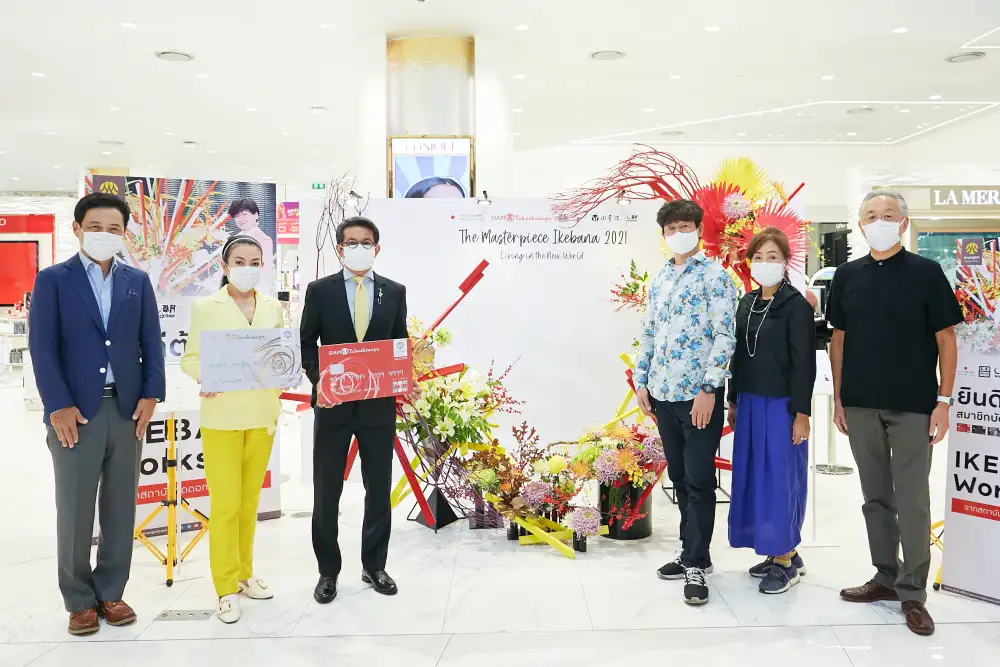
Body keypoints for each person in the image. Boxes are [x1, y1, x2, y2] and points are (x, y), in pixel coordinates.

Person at [826, 191, 963, 637]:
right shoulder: (847, 275)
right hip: (860, 403)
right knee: (875, 497)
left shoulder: (926, 273)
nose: (879, 221)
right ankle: (885, 575)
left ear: (903, 224)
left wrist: (943, 401)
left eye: (888, 215)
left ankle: (913, 591)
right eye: (871, 215)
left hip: (913, 405)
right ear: (860, 225)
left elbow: (946, 338)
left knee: (912, 499)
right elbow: (839, 339)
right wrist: (839, 398)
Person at [28, 193, 165, 636]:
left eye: (114, 229)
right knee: (74, 507)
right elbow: (42, 347)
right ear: (77, 229)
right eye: (95, 227)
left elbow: (151, 342)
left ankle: (111, 591)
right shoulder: (53, 280)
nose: (104, 235)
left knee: (121, 505)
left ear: (124, 234)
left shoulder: (136, 281)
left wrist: (152, 394)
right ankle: (79, 600)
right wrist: (57, 405)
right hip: (76, 412)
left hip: (127, 410)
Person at [300, 216, 410, 603]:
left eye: (366, 242)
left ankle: (374, 565)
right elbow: (307, 343)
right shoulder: (319, 291)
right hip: (333, 405)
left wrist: (402, 376)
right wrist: (320, 382)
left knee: (378, 488)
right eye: (351, 242)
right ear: (339, 249)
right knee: (326, 490)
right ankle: (328, 571)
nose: (358, 248)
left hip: (378, 407)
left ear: (376, 248)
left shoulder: (394, 291)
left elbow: (399, 341)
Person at [634, 199, 738, 605]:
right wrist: (642, 381)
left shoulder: (716, 276)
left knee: (699, 480)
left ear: (698, 229)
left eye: (684, 226)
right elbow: (649, 332)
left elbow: (724, 336)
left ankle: (695, 563)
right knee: (678, 477)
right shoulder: (660, 278)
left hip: (699, 396)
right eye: (671, 228)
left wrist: (709, 389)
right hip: (663, 393)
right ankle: (692, 551)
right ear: (663, 235)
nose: (678, 233)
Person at [180, 235, 284, 624]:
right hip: (222, 417)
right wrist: (205, 374)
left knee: (249, 503)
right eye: (239, 261)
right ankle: (225, 587)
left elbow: (279, 354)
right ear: (224, 266)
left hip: (262, 415)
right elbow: (190, 358)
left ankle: (244, 573)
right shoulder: (206, 307)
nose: (247, 268)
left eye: (254, 262)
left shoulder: (273, 307)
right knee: (225, 505)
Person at [727, 227, 816, 595]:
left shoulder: (796, 306)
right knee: (754, 477)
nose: (765, 263)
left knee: (780, 479)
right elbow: (737, 356)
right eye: (759, 257)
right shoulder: (747, 303)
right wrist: (733, 400)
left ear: (785, 262)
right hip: (749, 402)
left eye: (773, 257)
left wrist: (802, 413)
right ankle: (779, 550)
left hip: (781, 406)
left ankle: (786, 560)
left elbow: (804, 364)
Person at [228, 198, 274, 292]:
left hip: (254, 292)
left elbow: (265, 274)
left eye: (245, 214)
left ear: (256, 215)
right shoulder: (234, 239)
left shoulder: (264, 240)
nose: (241, 219)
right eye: (237, 215)